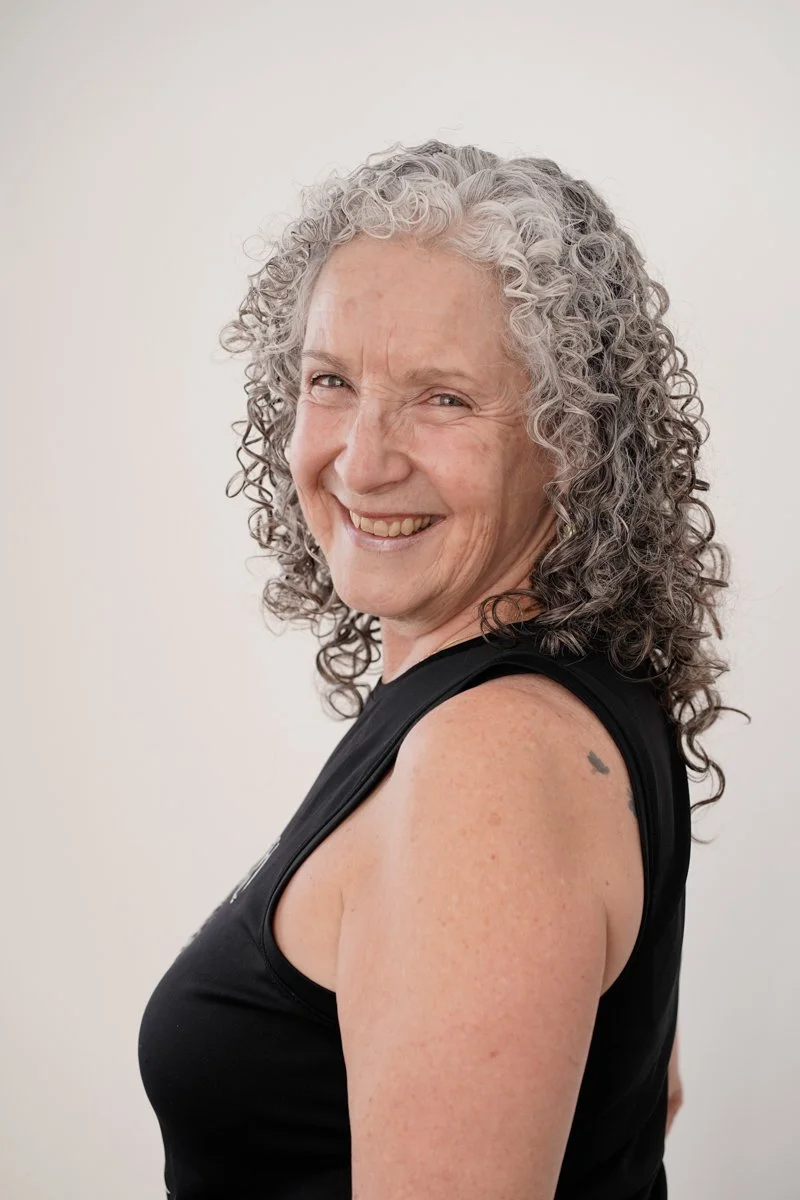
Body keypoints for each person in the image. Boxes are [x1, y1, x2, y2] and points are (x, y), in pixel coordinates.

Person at [138, 140, 743, 1199]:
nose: (362, 460)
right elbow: (638, 1090)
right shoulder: (549, 707)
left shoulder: (489, 760)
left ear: (573, 441)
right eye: (330, 381)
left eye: (444, 400)